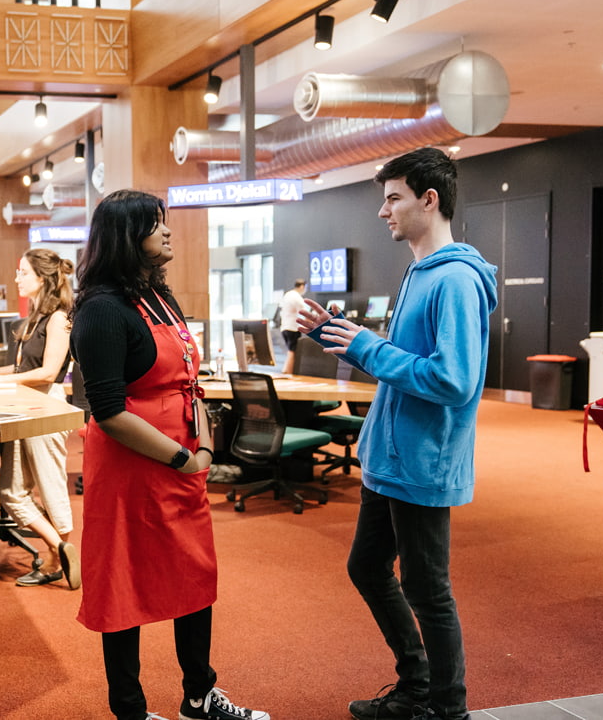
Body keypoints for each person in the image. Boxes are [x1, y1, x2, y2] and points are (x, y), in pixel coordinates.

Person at [296, 148, 497, 720]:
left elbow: (454, 381)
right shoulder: (419, 272)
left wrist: (368, 347)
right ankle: (417, 686)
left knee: (428, 590)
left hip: (424, 461)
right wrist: (350, 339)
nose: (382, 212)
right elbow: (403, 362)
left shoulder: (455, 279)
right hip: (390, 457)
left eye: (393, 198)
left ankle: (445, 707)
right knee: (367, 566)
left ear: (428, 200)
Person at [70, 189, 267, 720]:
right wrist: (183, 458)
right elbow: (109, 411)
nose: (168, 231)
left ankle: (200, 697)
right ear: (127, 236)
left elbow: (189, 383)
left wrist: (201, 445)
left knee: (194, 575)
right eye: (156, 224)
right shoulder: (101, 310)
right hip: (132, 466)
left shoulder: (158, 295)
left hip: (182, 461)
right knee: (122, 581)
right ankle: (130, 711)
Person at [0, 249, 79, 589]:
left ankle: (55, 559)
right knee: (12, 492)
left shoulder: (60, 318)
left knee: (50, 488)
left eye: (22, 273)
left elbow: (48, 373)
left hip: (46, 409)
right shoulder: (33, 317)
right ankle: (60, 548)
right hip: (23, 408)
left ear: (43, 278)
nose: (16, 279)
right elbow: (22, 370)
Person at [278, 278, 306, 374]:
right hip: (292, 328)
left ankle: (286, 371)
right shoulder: (297, 297)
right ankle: (288, 373)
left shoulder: (288, 294)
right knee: (292, 352)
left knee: (290, 351)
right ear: (302, 286)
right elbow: (304, 313)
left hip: (284, 327)